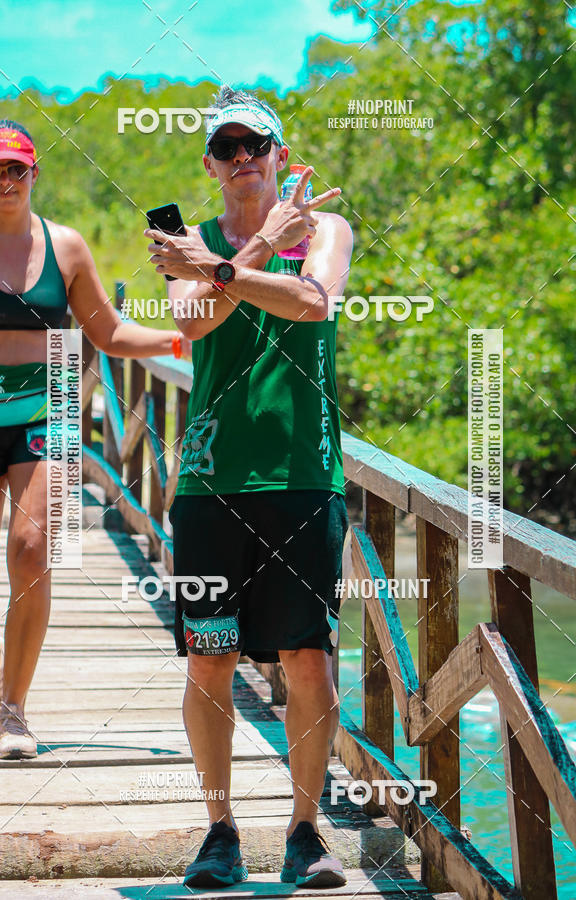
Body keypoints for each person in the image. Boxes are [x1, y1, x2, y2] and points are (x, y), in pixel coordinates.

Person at [145, 86, 353, 888]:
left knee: (308, 657)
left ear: (279, 155)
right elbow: (192, 322)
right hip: (210, 482)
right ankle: (220, 832)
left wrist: (222, 270)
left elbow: (313, 304)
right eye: (226, 149)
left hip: (303, 474)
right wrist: (256, 246)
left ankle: (305, 832)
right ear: (210, 164)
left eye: (255, 146)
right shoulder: (187, 239)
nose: (242, 160)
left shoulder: (326, 230)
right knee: (211, 658)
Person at [0, 119, 191, 759]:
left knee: (32, 549)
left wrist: (178, 341)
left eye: (16, 168)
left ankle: (13, 711)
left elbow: (109, 333)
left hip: (49, 414)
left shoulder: (65, 247)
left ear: (34, 173)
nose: (5, 180)